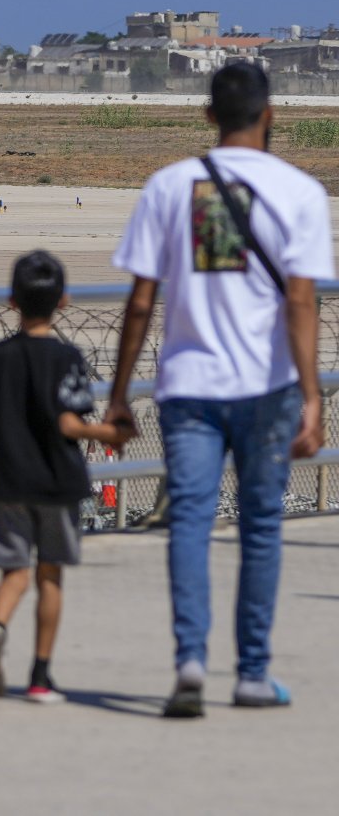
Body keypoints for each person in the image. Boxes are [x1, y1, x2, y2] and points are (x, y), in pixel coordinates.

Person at [107, 60, 331, 718]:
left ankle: (189, 661)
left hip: (189, 386)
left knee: (191, 524)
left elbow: (142, 300)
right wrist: (313, 396)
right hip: (267, 389)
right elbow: (300, 302)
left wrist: (120, 391)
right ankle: (254, 673)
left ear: (208, 116)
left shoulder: (170, 185)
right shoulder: (299, 193)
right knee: (261, 527)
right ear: (270, 116)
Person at [0, 251, 134, 702]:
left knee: (13, 574)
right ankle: (39, 677)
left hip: (7, 482)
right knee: (49, 577)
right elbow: (69, 425)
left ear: (11, 301)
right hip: (57, 483)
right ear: (64, 301)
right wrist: (110, 432)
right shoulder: (67, 357)